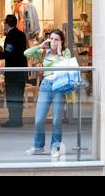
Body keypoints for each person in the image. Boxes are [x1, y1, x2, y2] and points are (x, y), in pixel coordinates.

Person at [24, 29, 71, 158]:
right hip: (46, 85)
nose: (53, 42)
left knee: (56, 120)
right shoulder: (44, 51)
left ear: (61, 41)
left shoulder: (65, 52)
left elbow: (67, 66)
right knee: (39, 119)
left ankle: (55, 148)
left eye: (56, 39)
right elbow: (26, 53)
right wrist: (41, 45)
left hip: (59, 86)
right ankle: (38, 146)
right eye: (51, 39)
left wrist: (60, 52)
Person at [0, 14, 28, 128]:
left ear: (7, 24)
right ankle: (18, 119)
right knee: (19, 96)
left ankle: (13, 120)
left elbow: (9, 53)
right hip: (21, 70)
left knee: (12, 95)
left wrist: (0, 54)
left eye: (4, 23)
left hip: (12, 72)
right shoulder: (21, 34)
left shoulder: (10, 36)